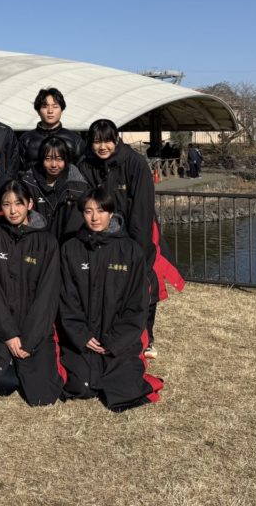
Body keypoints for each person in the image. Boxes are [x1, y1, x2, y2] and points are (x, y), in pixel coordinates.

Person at [78, 119, 183, 359]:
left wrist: (138, 246)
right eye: (96, 141)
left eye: (107, 140)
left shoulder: (135, 163)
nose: (102, 146)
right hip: (100, 232)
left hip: (135, 232)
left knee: (144, 284)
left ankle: (147, 335)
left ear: (117, 139)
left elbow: (142, 209)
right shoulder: (86, 165)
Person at [58, 187, 163, 411]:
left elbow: (137, 305)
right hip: (84, 339)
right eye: (88, 211)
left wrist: (114, 341)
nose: (95, 217)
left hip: (117, 340)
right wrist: (82, 335)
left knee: (123, 388)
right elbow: (67, 299)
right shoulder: (70, 249)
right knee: (82, 387)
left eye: (101, 210)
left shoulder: (130, 250)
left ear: (112, 213)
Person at [0, 180, 63, 406]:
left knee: (42, 393)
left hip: (33, 330)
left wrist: (29, 340)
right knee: (1, 384)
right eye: (6, 204)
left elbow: (48, 295)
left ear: (30, 205)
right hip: (0, 330)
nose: (13, 210)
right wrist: (8, 334)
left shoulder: (47, 242)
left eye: (18, 203)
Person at [19, 136, 89, 243]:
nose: (54, 165)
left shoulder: (78, 186)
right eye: (48, 159)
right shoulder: (27, 184)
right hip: (35, 244)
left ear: (66, 160)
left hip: (67, 244)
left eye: (59, 159)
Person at [18, 87, 85, 170]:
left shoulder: (75, 139)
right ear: (38, 111)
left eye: (55, 106)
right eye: (45, 106)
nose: (50, 111)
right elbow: (18, 169)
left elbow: (82, 171)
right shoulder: (26, 139)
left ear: (62, 110)